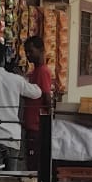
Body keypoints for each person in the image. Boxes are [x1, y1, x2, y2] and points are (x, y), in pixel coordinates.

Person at [0, 41, 42, 170]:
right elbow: (37, 93)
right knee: (10, 178)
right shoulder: (16, 79)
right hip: (12, 138)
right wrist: (27, 78)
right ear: (4, 59)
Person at [23, 36, 52, 171]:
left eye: (31, 51)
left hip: (37, 127)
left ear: (40, 50)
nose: (28, 55)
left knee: (34, 165)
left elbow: (47, 98)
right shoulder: (34, 72)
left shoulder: (42, 72)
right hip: (32, 126)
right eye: (26, 52)